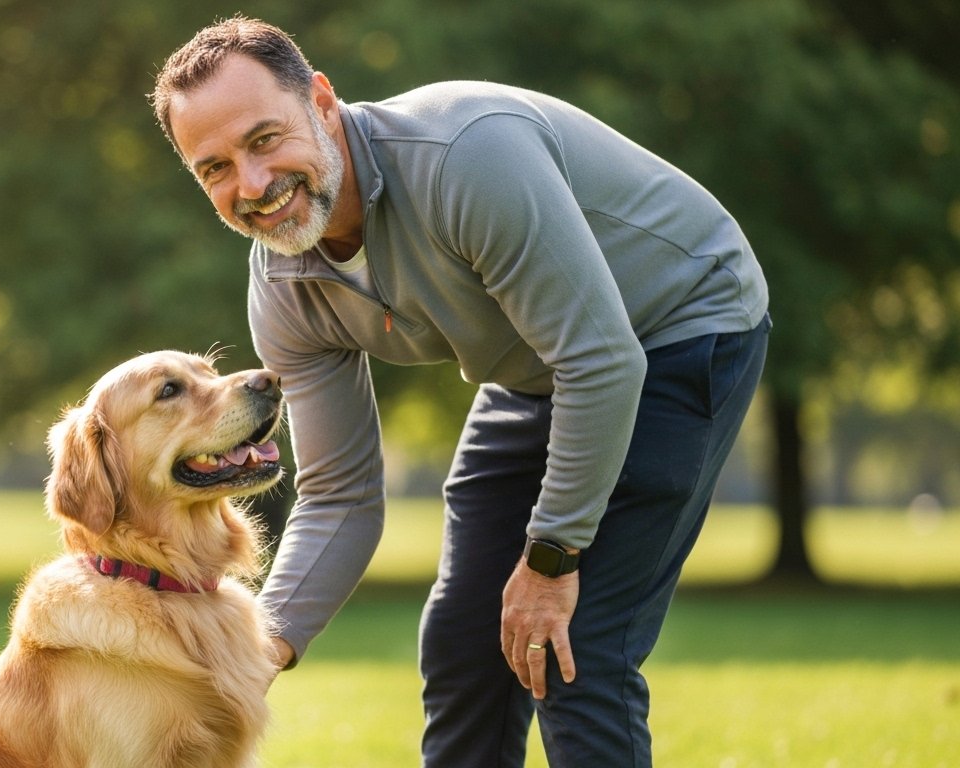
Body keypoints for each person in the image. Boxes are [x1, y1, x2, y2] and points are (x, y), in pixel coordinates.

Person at [150, 16, 769, 767]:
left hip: (675, 328)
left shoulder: (466, 159)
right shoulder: (283, 286)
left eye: (263, 139)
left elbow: (602, 363)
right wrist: (260, 650)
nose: (251, 187)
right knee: (464, 645)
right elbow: (341, 493)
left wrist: (550, 559)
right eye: (213, 168)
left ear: (320, 100)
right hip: (539, 364)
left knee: (575, 652)